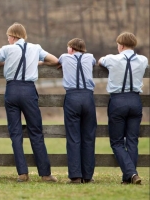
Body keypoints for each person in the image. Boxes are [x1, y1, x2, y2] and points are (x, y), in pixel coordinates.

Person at [0, 23, 58, 182]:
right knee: (36, 132)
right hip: (28, 90)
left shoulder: (7, 49)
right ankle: (45, 174)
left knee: (15, 133)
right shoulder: (35, 48)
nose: (8, 39)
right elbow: (54, 60)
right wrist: (38, 62)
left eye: (8, 36)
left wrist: (5, 62)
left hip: (12, 90)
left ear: (13, 36)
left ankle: (22, 173)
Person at [98, 32, 148, 185]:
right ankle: (128, 178)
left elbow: (100, 61)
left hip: (118, 100)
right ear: (134, 45)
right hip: (135, 100)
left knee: (117, 142)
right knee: (132, 140)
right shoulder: (143, 60)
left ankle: (131, 173)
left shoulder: (112, 59)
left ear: (120, 45)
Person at [58, 38, 97, 184]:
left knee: (74, 137)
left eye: (68, 47)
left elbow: (58, 61)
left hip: (72, 97)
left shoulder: (64, 57)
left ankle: (75, 176)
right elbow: (92, 62)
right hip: (88, 97)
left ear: (72, 48)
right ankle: (88, 176)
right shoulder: (90, 57)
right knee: (88, 137)